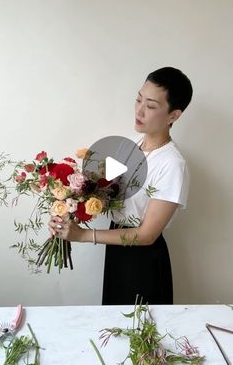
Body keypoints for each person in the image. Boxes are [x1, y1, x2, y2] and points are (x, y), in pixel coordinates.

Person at [48, 67, 193, 305]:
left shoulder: (172, 164)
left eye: (151, 105)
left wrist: (84, 235)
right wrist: (66, 208)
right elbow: (99, 191)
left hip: (143, 260)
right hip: (116, 249)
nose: (139, 110)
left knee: (139, 332)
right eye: (138, 99)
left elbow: (147, 235)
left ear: (173, 116)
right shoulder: (131, 145)